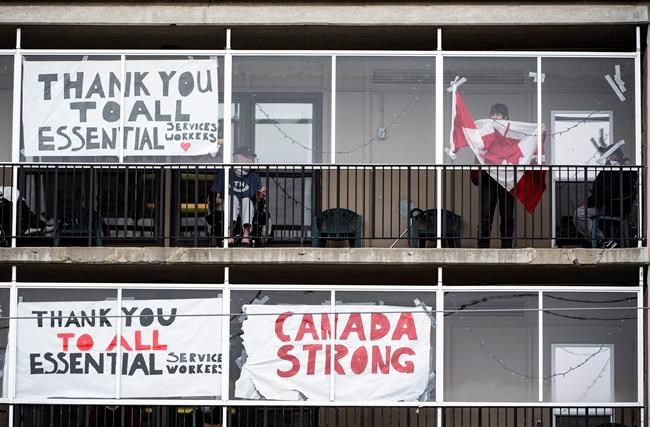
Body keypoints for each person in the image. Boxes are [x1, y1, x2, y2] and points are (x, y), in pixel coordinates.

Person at [573, 146, 635, 248]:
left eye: (612, 154)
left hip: (610, 207)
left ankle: (603, 240)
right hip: (608, 204)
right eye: (609, 155)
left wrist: (588, 203)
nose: (610, 157)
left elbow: (608, 192)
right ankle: (600, 241)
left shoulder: (617, 169)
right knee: (579, 213)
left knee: (579, 214)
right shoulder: (613, 168)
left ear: (617, 155)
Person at [476, 103, 516, 248]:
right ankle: (483, 246)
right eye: (492, 114)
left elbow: (524, 146)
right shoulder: (486, 131)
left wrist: (541, 134)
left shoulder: (513, 133)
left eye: (498, 114)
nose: (494, 117)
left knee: (507, 214)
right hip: (489, 177)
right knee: (486, 213)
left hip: (507, 177)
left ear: (505, 117)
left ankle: (506, 247)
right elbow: (479, 148)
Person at [211, 146, 267, 247]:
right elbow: (217, 199)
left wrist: (259, 198)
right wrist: (227, 199)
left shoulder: (254, 176)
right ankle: (229, 234)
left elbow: (259, 205)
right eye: (246, 156)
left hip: (248, 206)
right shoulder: (225, 173)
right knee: (232, 199)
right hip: (229, 205)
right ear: (236, 158)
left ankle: (246, 235)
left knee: (246, 200)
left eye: (251, 157)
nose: (250, 160)